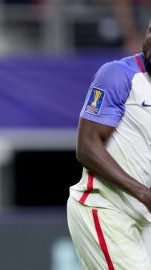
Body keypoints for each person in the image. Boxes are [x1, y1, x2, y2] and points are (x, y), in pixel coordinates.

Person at [67, 21, 151, 269]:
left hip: (144, 219)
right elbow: (87, 147)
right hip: (104, 208)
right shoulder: (118, 74)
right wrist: (144, 193)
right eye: (150, 31)